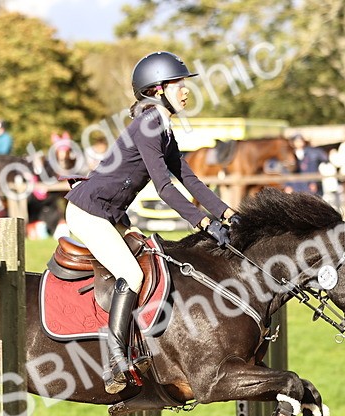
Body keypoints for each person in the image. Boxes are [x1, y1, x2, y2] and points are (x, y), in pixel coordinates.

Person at [65, 51, 237, 394]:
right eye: (180, 84)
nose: (186, 91)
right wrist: (202, 223)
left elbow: (190, 180)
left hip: (111, 214)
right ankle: (115, 360)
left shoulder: (162, 125)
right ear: (158, 89)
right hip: (90, 213)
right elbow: (163, 188)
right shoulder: (148, 125)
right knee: (131, 274)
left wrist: (229, 215)